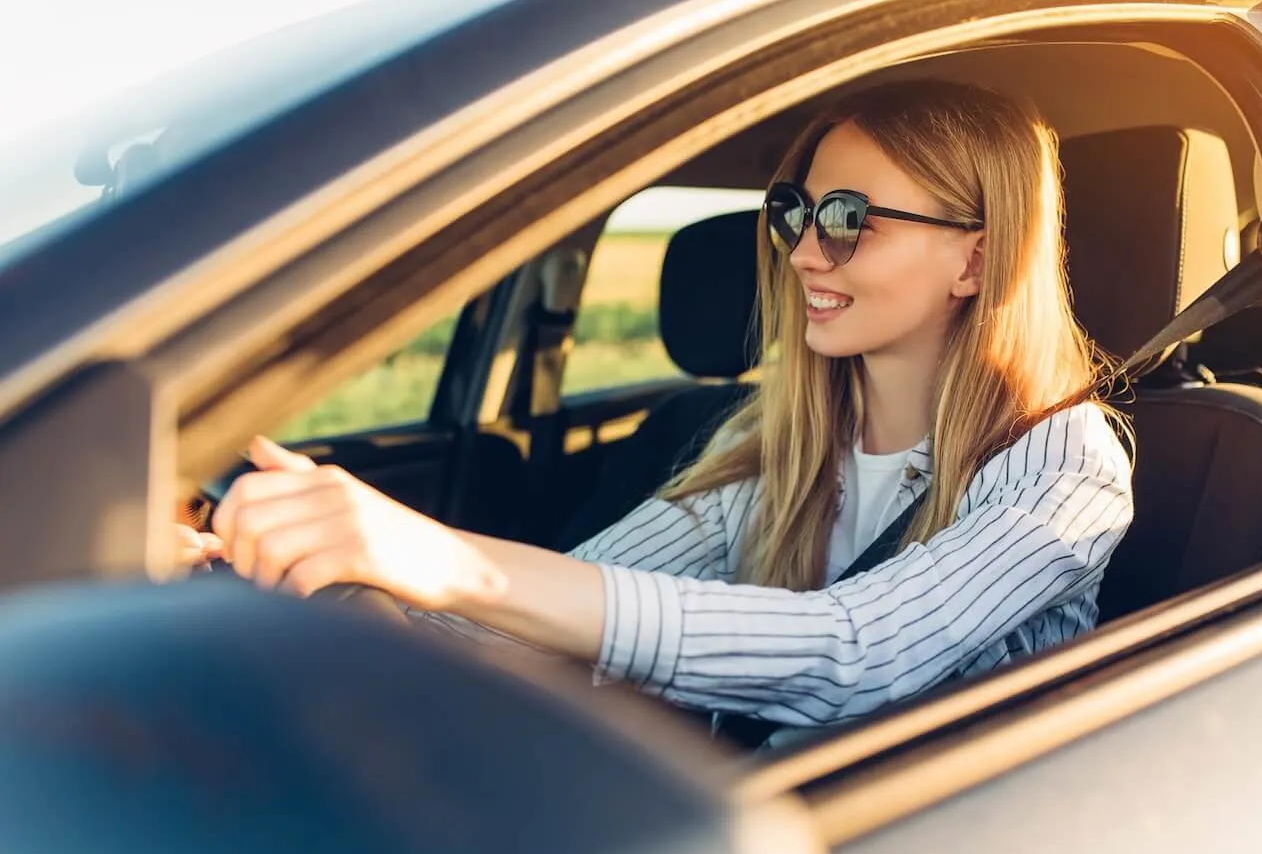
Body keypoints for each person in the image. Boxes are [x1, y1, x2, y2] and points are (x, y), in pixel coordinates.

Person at [200, 81, 1134, 732]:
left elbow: (859, 651)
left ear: (975, 257)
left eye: (850, 220)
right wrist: (280, 566)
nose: (806, 252)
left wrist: (431, 552)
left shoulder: (1063, 465)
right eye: (797, 215)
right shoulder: (775, 437)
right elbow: (548, 617)